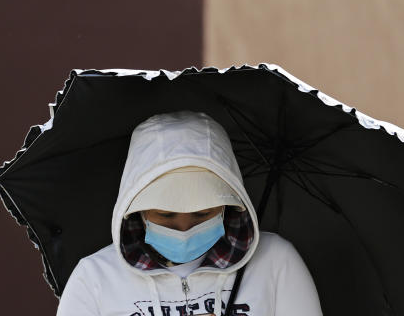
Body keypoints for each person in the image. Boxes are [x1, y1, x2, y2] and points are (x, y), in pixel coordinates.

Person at [57, 110, 323, 316]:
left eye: (202, 213)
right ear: (136, 211)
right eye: (166, 215)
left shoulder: (276, 261)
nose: (184, 228)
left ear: (228, 205)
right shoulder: (94, 278)